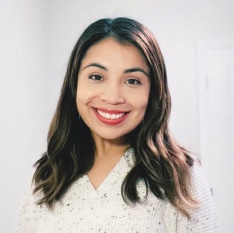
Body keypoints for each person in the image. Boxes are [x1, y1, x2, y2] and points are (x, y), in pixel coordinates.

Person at [17, 17, 218, 232]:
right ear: (74, 85)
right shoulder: (45, 176)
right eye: (96, 76)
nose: (113, 97)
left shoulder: (181, 176)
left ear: (153, 92)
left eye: (132, 81)